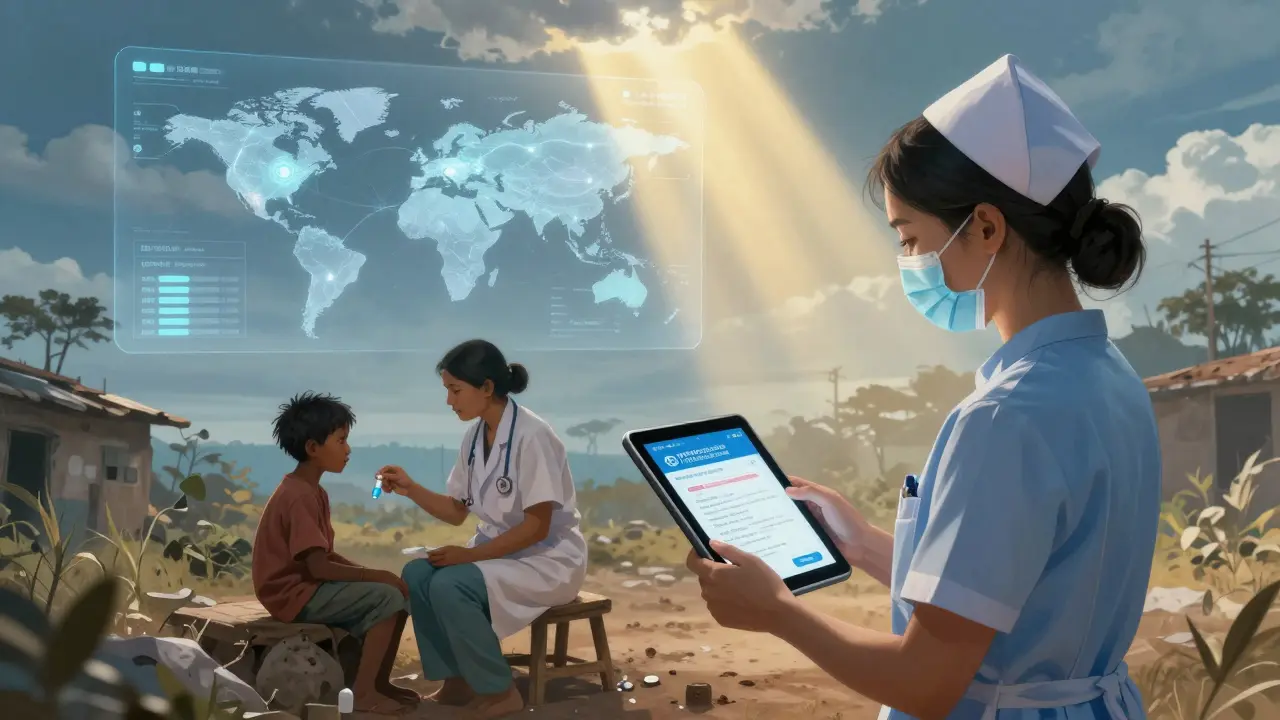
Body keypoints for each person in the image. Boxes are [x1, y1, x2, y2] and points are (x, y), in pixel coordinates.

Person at [686, 54, 1160, 720]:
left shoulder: (1006, 417)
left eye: (910, 238)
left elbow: (926, 682)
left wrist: (778, 613)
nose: (908, 262)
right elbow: (1009, 592)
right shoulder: (1108, 376)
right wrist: (861, 544)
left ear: (987, 228)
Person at [377, 339, 587, 719]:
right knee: (418, 574)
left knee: (450, 583)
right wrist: (410, 488)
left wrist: (470, 556)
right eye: (447, 390)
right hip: (500, 554)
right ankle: (456, 680)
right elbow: (457, 511)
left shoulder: (533, 436)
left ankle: (500, 691)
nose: (449, 401)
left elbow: (537, 528)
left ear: (487, 387)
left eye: (455, 390)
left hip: (547, 559)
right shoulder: (474, 438)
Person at [252, 392, 418, 715]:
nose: (348, 449)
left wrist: (377, 576)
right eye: (341, 441)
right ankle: (364, 692)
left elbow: (325, 555)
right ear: (313, 448)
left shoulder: (314, 491)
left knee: (396, 592)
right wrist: (374, 576)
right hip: (291, 595)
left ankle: (378, 681)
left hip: (306, 588)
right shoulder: (299, 496)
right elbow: (318, 567)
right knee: (387, 598)